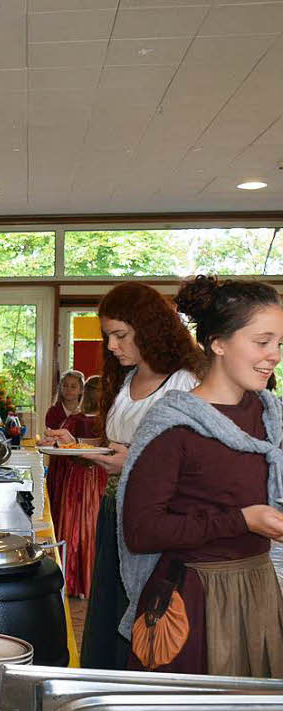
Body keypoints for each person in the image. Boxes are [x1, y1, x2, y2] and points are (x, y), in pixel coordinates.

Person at [118, 276, 283, 675]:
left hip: (260, 590)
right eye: (262, 342)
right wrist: (241, 520)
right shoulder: (175, 425)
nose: (274, 355)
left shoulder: (272, 418)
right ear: (219, 343)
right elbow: (140, 531)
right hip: (193, 600)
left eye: (279, 344)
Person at [59, 282, 204, 671]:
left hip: (154, 517)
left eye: (120, 335)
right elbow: (122, 442)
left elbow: (195, 464)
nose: (111, 346)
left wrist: (133, 463)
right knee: (109, 604)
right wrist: (78, 443)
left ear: (150, 329)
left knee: (140, 606)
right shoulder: (126, 381)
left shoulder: (185, 382)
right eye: (108, 336)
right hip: (114, 508)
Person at [54, 376, 107, 598]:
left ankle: (71, 579)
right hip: (99, 477)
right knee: (93, 525)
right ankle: (91, 581)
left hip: (76, 477)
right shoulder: (107, 421)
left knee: (73, 524)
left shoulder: (74, 421)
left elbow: (65, 451)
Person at [43, 369, 86, 529]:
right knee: (58, 498)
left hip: (77, 466)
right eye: (65, 386)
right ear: (61, 388)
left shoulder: (85, 414)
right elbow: (51, 438)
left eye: (73, 386)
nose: (69, 390)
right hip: (59, 463)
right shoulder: (53, 412)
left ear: (81, 390)